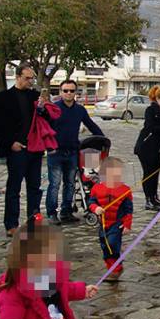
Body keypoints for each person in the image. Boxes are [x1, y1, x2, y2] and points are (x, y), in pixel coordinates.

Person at [0, 63, 61, 236]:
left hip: (35, 148)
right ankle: (11, 224)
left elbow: (47, 120)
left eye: (32, 78)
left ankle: (33, 219)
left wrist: (42, 109)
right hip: (16, 148)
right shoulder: (3, 97)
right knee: (14, 187)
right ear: (17, 77)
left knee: (34, 186)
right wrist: (11, 143)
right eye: (27, 78)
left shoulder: (35, 96)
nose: (30, 81)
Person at [46, 80, 103, 224]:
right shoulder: (54, 108)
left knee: (70, 183)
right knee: (55, 183)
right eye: (65, 90)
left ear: (75, 93)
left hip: (72, 151)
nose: (68, 93)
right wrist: (48, 147)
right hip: (55, 152)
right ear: (60, 92)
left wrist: (102, 138)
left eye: (71, 91)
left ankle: (66, 211)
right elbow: (45, 128)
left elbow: (90, 124)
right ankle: (51, 212)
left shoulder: (80, 110)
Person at [87, 157, 133, 281]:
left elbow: (129, 210)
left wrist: (127, 224)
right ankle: (111, 267)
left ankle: (116, 268)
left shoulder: (125, 190)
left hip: (116, 224)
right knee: (104, 245)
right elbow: (91, 201)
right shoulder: (97, 188)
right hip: (103, 224)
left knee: (113, 243)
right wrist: (95, 208)